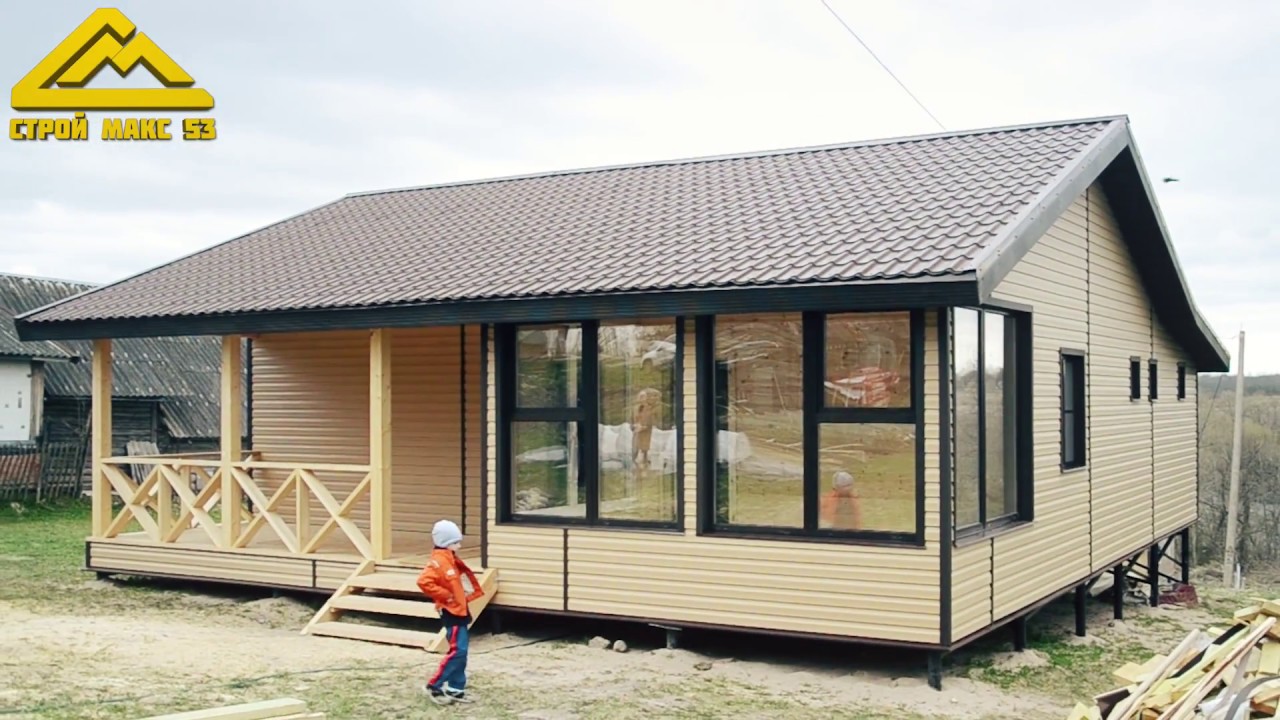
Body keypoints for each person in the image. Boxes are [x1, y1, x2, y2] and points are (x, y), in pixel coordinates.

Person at [417, 519, 484, 705]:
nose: (459, 546)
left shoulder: (450, 559)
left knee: (462, 652)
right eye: (456, 542)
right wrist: (446, 596)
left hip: (460, 610)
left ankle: (456, 688)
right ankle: (434, 685)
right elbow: (424, 582)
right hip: (451, 611)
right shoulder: (438, 562)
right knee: (458, 651)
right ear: (446, 543)